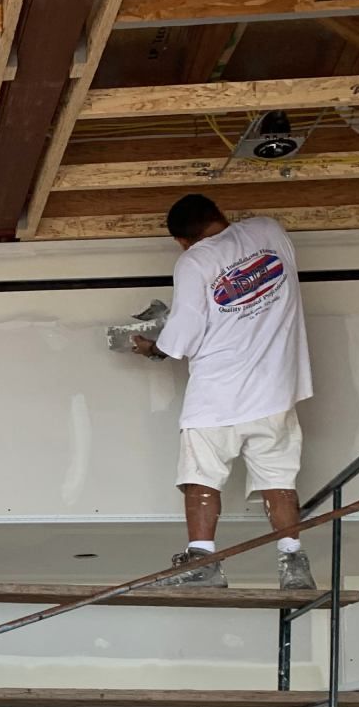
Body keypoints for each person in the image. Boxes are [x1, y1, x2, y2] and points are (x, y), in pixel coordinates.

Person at [131, 194, 316, 590]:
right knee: (278, 479)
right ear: (220, 215)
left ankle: (204, 562)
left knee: (201, 476)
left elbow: (184, 332)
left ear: (182, 240)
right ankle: (293, 563)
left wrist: (154, 349)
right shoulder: (268, 229)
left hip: (218, 394)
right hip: (276, 390)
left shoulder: (194, 261)